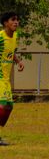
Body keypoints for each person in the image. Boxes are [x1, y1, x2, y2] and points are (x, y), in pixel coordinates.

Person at [0, 12, 24, 146]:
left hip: (5, 78)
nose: (16, 22)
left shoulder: (15, 36)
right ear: (5, 23)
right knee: (3, 106)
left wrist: (18, 61)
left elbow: (11, 52)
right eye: (13, 20)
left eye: (17, 20)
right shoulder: (0, 37)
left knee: (9, 106)